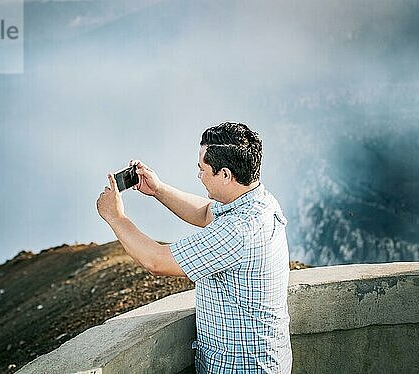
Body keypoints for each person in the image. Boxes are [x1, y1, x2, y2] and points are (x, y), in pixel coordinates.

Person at [96, 122, 292, 373]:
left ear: (224, 174)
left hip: (240, 368)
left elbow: (156, 261)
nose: (198, 175)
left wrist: (115, 217)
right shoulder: (258, 201)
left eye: (202, 169)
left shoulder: (238, 230)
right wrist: (158, 190)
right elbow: (205, 213)